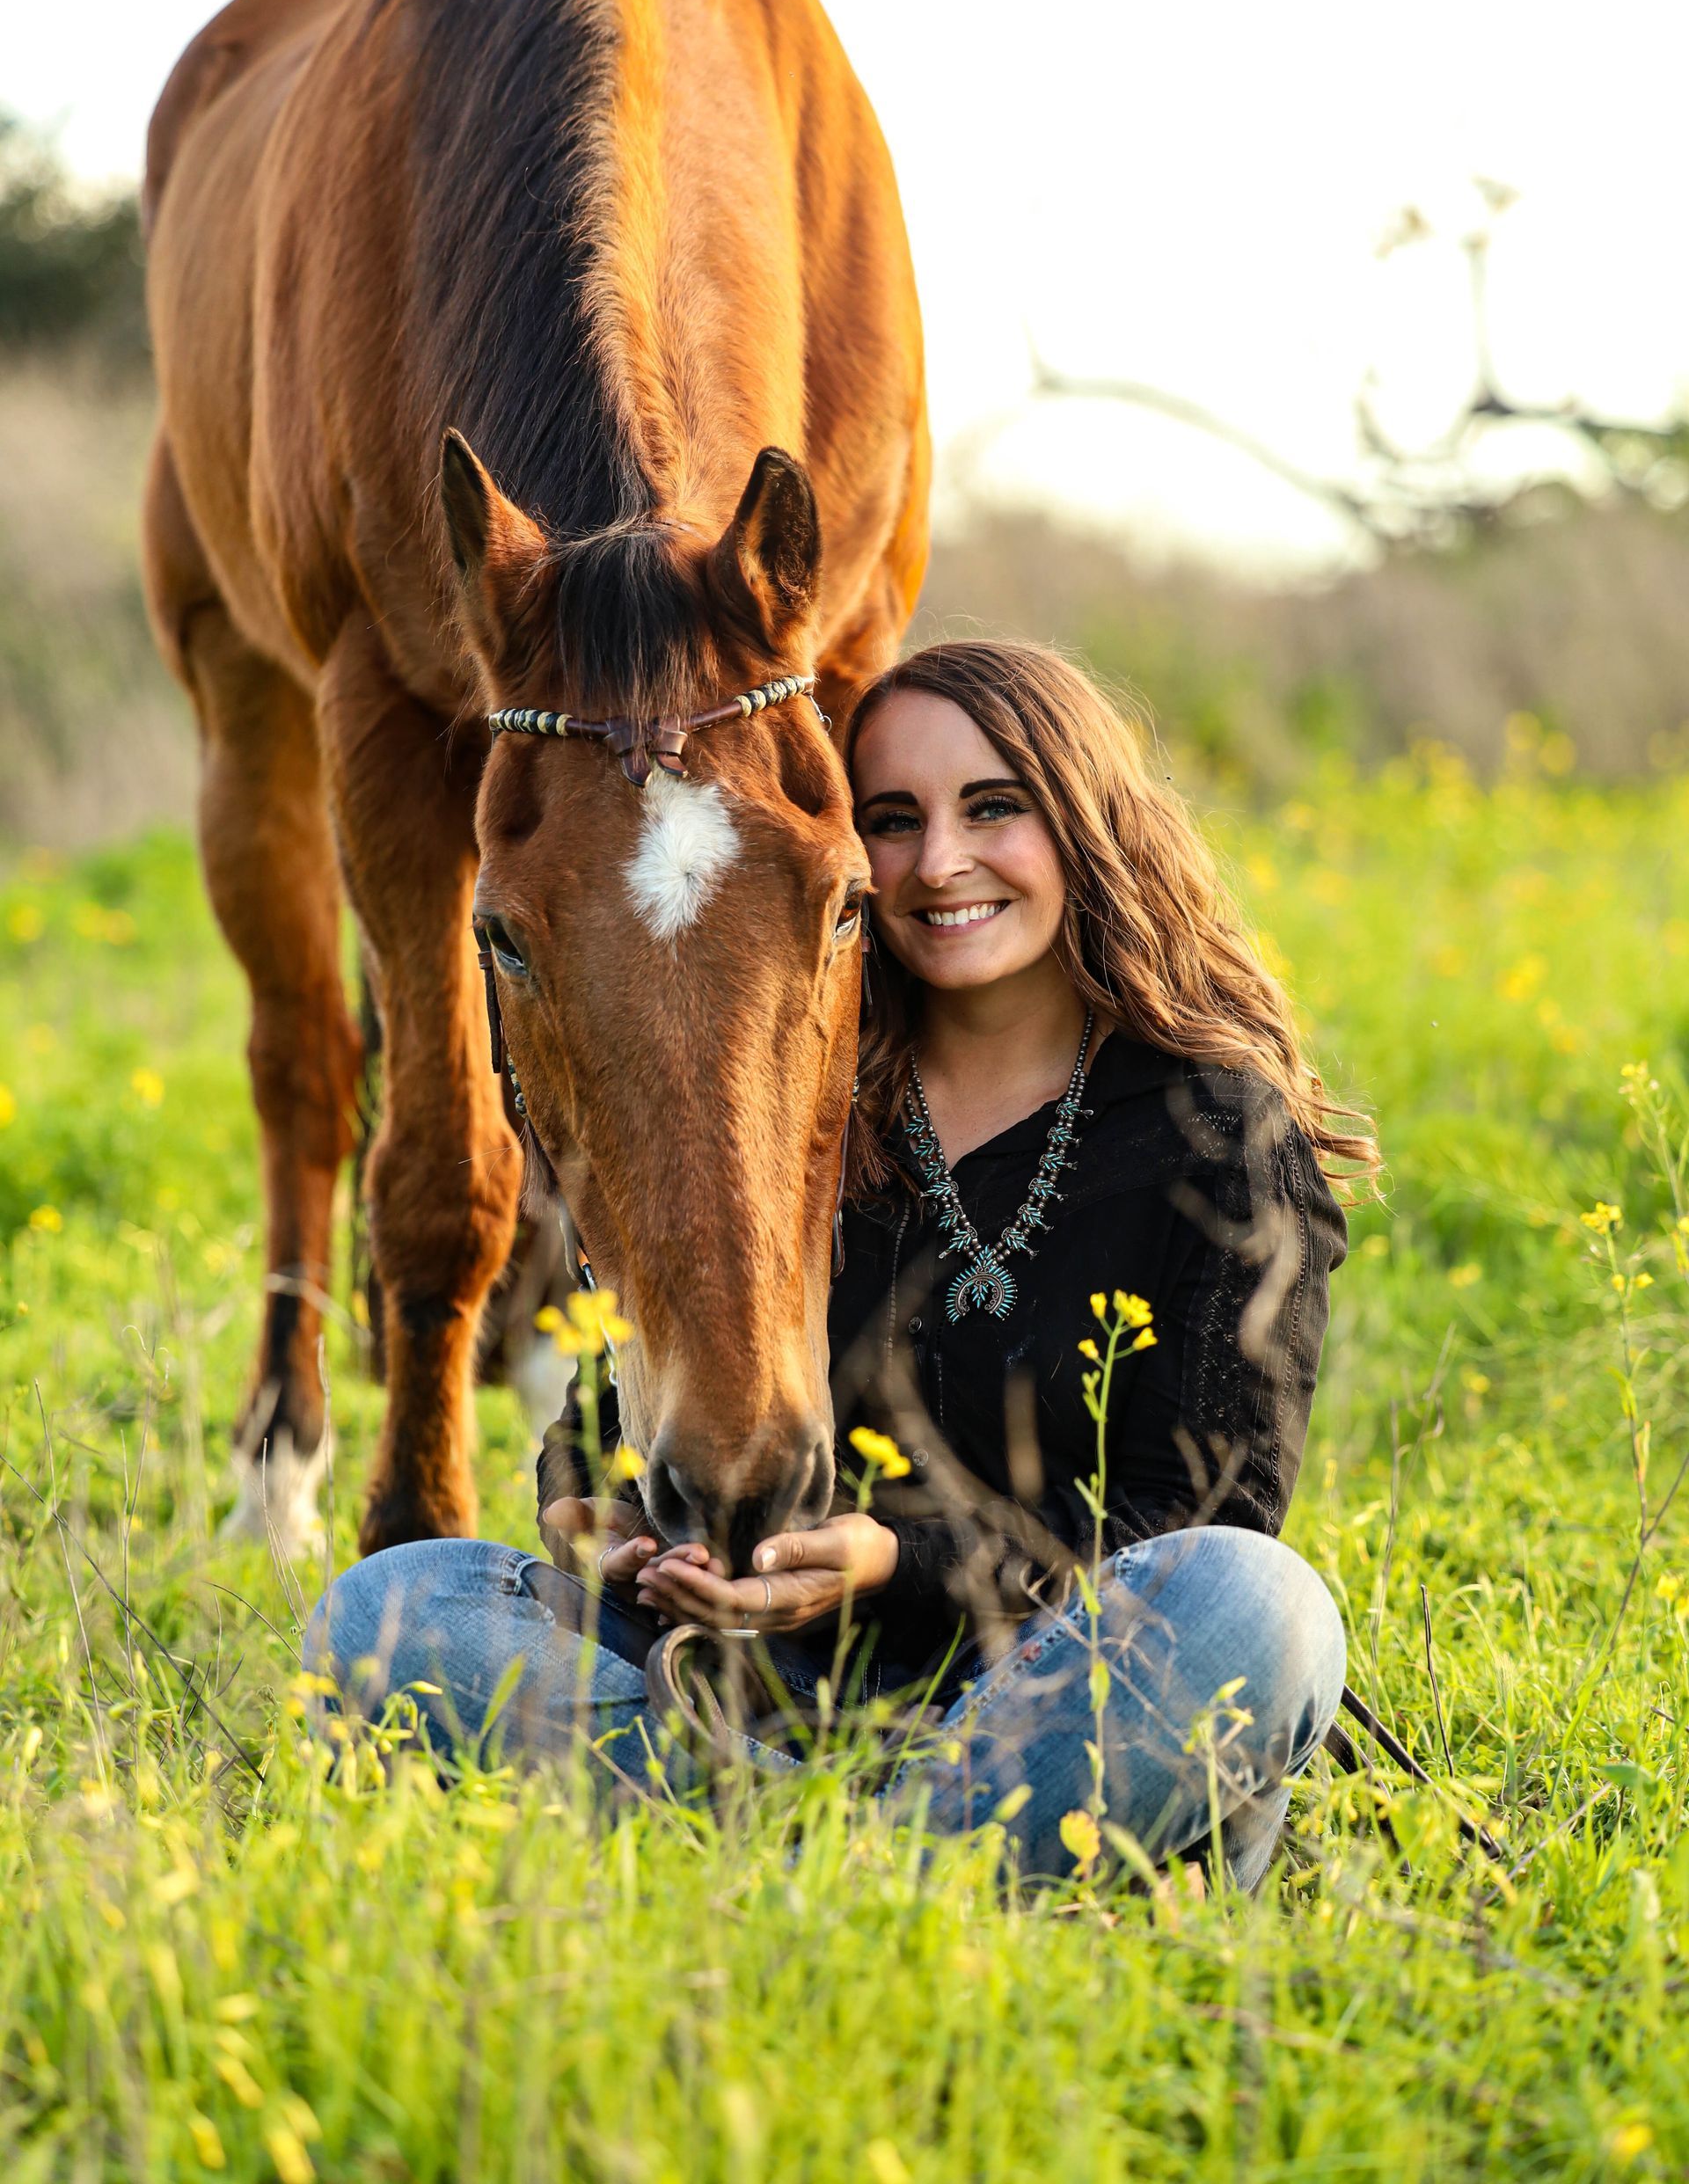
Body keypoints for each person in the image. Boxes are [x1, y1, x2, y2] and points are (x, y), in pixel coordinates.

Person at [308, 639, 1373, 1886]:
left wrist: (888, 1565)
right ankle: (876, 1861)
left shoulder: (1215, 1129)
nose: (940, 864)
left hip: (1048, 1700)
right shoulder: (804, 1091)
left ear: (1085, 818)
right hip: (763, 1690)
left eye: (993, 808)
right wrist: (592, 1510)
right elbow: (626, 1396)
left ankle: (854, 1867)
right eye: (892, 821)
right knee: (384, 1614)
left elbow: (1197, 1519)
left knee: (1258, 1604)